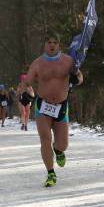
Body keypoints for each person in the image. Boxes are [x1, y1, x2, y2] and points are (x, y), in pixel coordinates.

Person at [25, 35, 83, 187]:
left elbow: (80, 76)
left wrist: (77, 78)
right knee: (45, 139)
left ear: (59, 45)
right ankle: (51, 173)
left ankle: (58, 151)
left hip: (61, 106)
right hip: (42, 106)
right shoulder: (37, 63)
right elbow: (27, 81)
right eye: (49, 42)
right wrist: (25, 92)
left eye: (55, 42)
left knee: (62, 144)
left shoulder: (68, 61)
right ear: (44, 45)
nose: (52, 45)